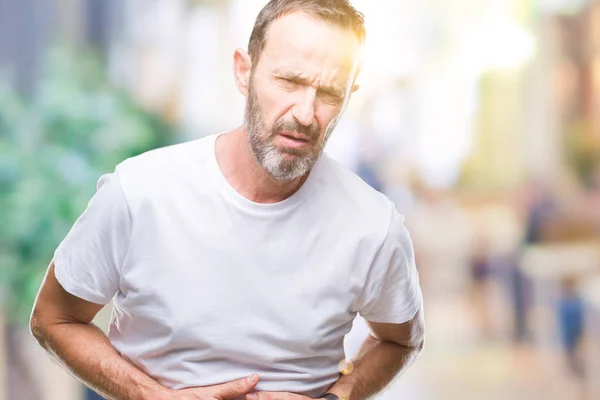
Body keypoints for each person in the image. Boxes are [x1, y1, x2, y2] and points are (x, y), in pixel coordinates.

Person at [29, 1, 425, 399]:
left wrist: (340, 397)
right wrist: (151, 396)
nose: (305, 114)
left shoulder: (374, 226)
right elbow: (53, 319)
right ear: (244, 71)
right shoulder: (139, 192)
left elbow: (400, 340)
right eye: (288, 80)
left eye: (329, 92)